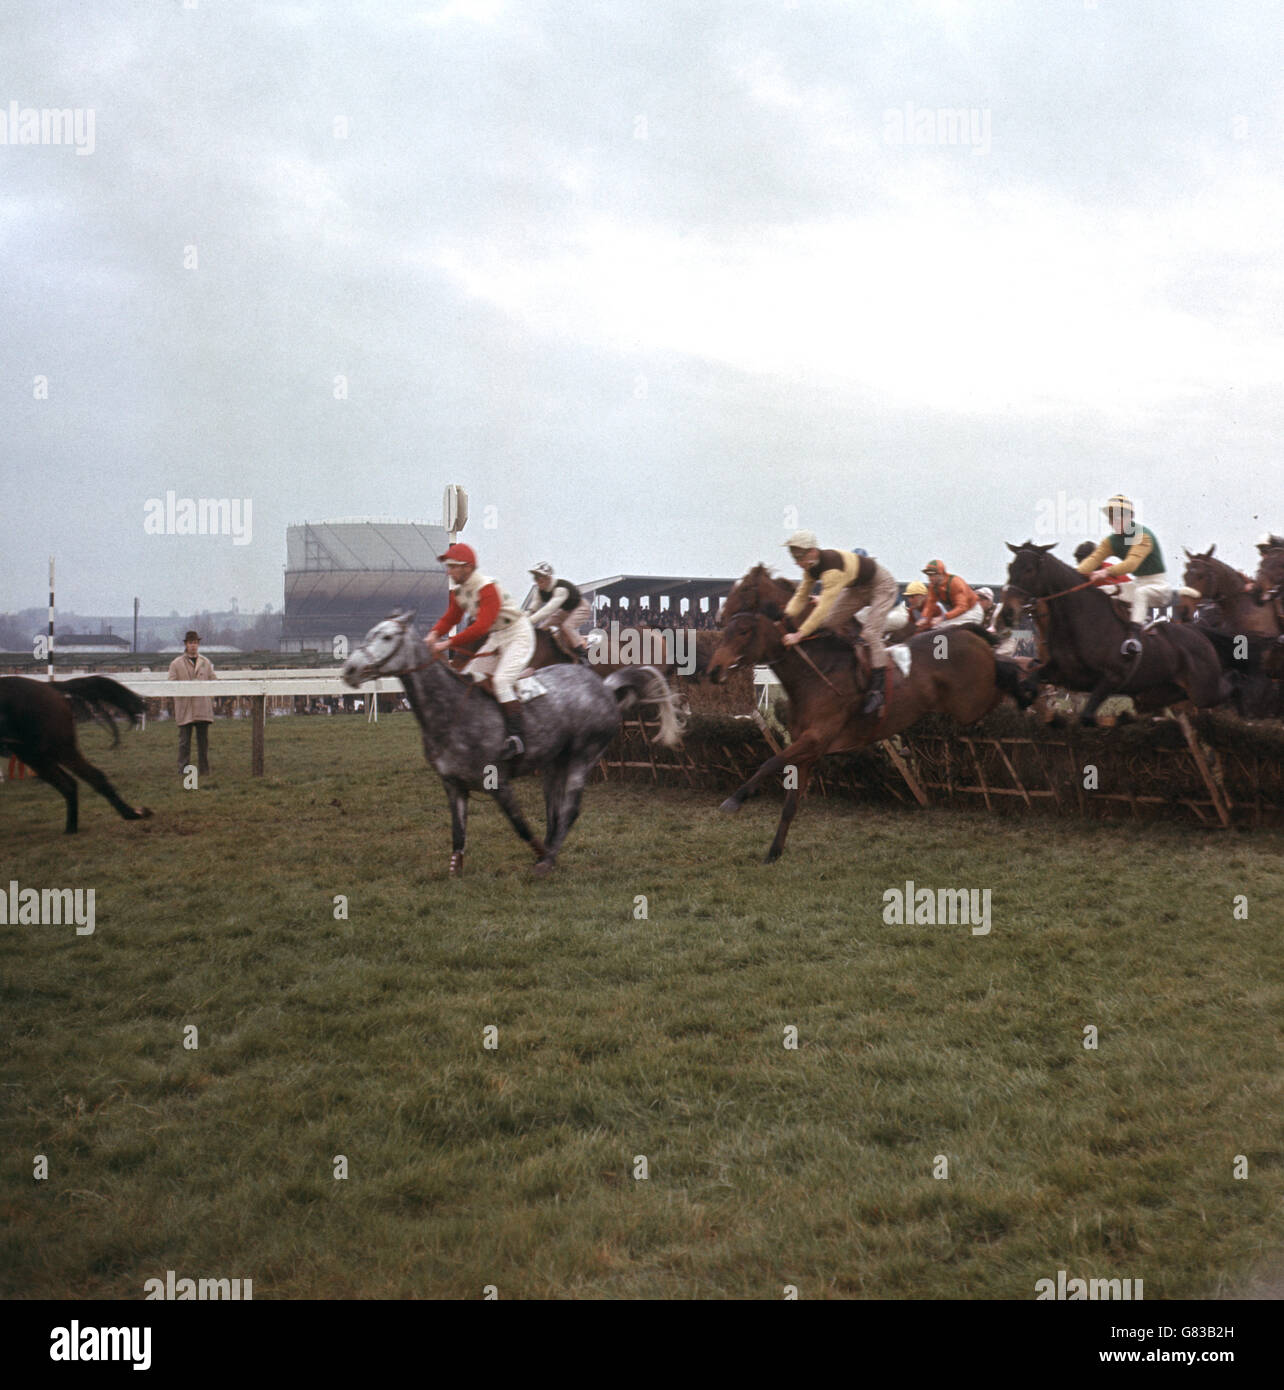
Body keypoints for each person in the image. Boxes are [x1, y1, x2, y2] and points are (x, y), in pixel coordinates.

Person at [426, 543, 534, 761]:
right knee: (469, 679)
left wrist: (447, 643)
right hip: (498, 637)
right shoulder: (459, 591)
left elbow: (481, 626)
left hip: (518, 635)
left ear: (467, 567)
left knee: (502, 681)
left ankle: (517, 738)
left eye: (452, 567)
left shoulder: (487, 587)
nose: (448, 571)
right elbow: (451, 617)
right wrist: (434, 634)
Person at [781, 529, 899, 714]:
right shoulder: (811, 568)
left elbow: (823, 607)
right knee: (827, 624)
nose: (796, 562)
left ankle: (878, 691)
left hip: (881, 585)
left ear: (812, 551)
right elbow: (801, 595)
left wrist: (799, 634)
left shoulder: (832, 570)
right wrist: (785, 617)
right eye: (793, 556)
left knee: (870, 633)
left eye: (799, 556)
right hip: (857, 587)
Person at [1075, 494, 1170, 625]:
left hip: (1158, 587)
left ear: (1130, 517)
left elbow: (1131, 564)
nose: (1116, 520)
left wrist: (1105, 572)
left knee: (1140, 593)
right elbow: (1093, 560)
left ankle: (1135, 634)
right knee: (1102, 591)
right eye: (1113, 517)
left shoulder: (1143, 535)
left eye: (1121, 516)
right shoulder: (1111, 542)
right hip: (1137, 584)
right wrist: (1073, 575)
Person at [167, 630, 216, 777]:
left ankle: (204, 770)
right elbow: (171, 684)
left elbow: (213, 681)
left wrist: (210, 698)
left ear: (198, 644)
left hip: (202, 708)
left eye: (195, 643)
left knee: (203, 743)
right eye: (190, 643)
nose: (193, 646)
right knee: (184, 743)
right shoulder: (176, 664)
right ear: (186, 644)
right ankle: (183, 771)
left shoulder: (205, 662)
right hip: (185, 708)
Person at [524, 563, 591, 658]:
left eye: (540, 578)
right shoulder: (539, 591)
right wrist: (522, 620)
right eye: (535, 578)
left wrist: (528, 621)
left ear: (548, 578)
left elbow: (547, 610)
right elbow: (532, 608)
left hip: (581, 607)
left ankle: (584, 654)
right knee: (543, 627)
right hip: (565, 610)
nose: (537, 581)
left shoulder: (561, 589)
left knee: (567, 626)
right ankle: (559, 653)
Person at [920, 560, 984, 629]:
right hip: (960, 614)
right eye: (928, 575)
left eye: (933, 575)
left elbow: (962, 607)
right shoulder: (933, 586)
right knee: (934, 626)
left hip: (972, 612)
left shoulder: (955, 583)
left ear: (941, 574)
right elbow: (930, 603)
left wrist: (943, 617)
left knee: (942, 626)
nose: (930, 578)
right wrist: (925, 617)